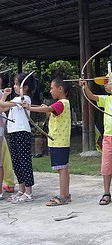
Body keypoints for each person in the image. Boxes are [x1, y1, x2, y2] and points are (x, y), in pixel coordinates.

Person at [79, 72, 112, 205]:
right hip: (108, 138)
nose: (104, 85)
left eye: (106, 82)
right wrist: (85, 86)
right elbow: (91, 96)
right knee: (106, 167)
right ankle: (106, 192)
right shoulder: (106, 99)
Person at [23, 77, 72, 206]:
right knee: (63, 169)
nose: (50, 91)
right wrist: (47, 110)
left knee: (62, 169)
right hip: (60, 141)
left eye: (52, 88)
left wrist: (29, 108)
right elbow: (51, 112)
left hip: (59, 141)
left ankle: (62, 196)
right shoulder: (62, 104)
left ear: (60, 89)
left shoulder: (61, 103)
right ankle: (65, 195)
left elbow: (48, 109)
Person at [0, 73, 36, 203]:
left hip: (22, 132)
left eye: (16, 84)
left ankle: (28, 191)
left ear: (24, 87)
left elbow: (2, 105)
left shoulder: (23, 98)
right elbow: (1, 107)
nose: (14, 86)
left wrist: (4, 96)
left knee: (24, 161)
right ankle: (21, 190)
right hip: (13, 132)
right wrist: (5, 94)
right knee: (17, 162)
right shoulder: (15, 100)